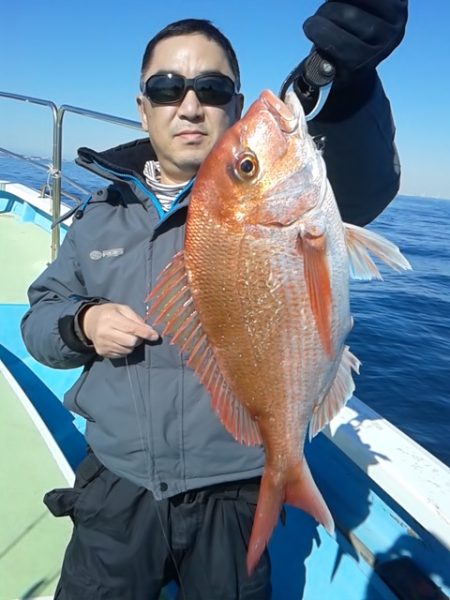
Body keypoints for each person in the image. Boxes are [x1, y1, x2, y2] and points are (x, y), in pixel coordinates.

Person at [21, 3, 408, 599]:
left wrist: (352, 79)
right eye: (168, 87)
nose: (191, 104)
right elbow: (39, 319)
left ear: (232, 103)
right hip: (115, 485)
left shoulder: (284, 199)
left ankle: (287, 471)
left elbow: (365, 179)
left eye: (212, 87)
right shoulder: (99, 216)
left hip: (232, 492)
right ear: (142, 106)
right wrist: (82, 321)